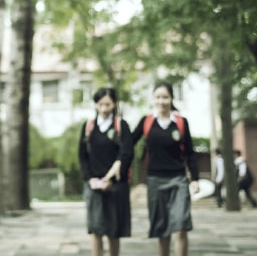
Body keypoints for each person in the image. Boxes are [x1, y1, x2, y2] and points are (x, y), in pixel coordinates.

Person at [130, 82, 199, 256]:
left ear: (172, 99)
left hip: (178, 179)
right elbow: (129, 142)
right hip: (155, 180)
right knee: (162, 229)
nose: (161, 101)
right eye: (158, 97)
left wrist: (195, 179)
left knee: (181, 226)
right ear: (153, 99)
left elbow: (190, 153)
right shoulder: (147, 122)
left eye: (165, 97)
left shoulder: (181, 122)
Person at [78, 87, 133, 256]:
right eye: (100, 104)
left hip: (115, 186)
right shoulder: (89, 127)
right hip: (94, 185)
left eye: (107, 104)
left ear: (114, 104)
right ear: (95, 104)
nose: (103, 108)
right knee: (96, 230)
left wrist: (112, 180)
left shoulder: (121, 126)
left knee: (113, 231)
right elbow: (82, 155)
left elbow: (127, 154)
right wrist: (90, 179)